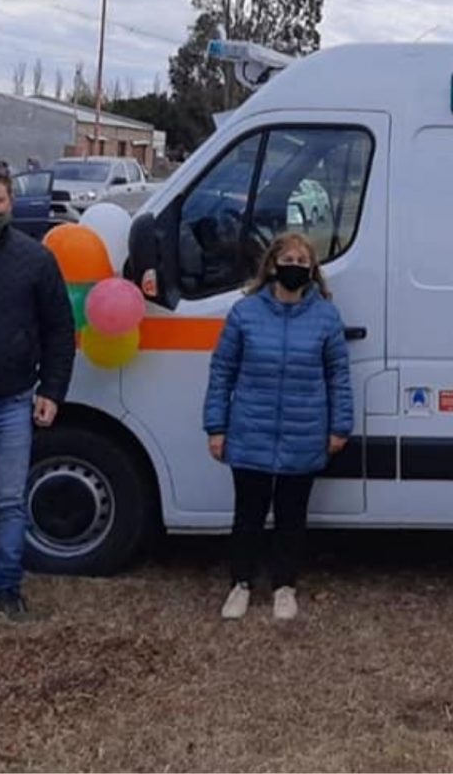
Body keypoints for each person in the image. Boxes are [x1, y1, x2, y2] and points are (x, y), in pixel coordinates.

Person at [203, 231, 353, 621]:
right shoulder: (245, 313)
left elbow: (338, 375)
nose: (295, 268)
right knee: (248, 515)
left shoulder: (325, 316)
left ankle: (284, 587)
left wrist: (340, 427)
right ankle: (241, 585)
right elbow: (222, 371)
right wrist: (215, 427)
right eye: (289, 260)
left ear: (312, 270)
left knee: (291, 517)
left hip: (303, 433)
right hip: (250, 430)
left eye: (303, 263)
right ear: (271, 265)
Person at [0, 161, 75, 620]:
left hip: (12, 400)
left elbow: (60, 330)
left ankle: (4, 589)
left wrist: (53, 389)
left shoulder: (35, 260)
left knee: (7, 499)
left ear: (10, 204)